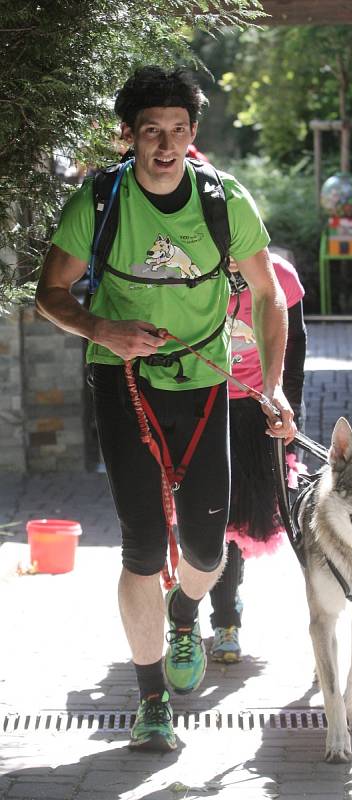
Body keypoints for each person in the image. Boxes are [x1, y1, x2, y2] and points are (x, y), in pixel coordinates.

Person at [35, 65, 295, 754]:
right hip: (123, 380)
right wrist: (102, 330)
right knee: (143, 544)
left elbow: (269, 298)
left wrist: (270, 387)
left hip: (207, 385)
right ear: (129, 135)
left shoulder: (224, 201)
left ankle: (187, 610)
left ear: (192, 134)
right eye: (151, 131)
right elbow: (51, 294)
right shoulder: (99, 201)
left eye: (178, 130)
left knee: (209, 548)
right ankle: (151, 700)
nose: (166, 144)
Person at [209, 252, 306, 662]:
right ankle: (214, 612)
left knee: (241, 518)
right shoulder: (190, 266)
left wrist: (288, 422)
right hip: (202, 401)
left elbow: (295, 354)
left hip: (258, 410)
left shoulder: (279, 274)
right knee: (211, 515)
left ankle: (225, 616)